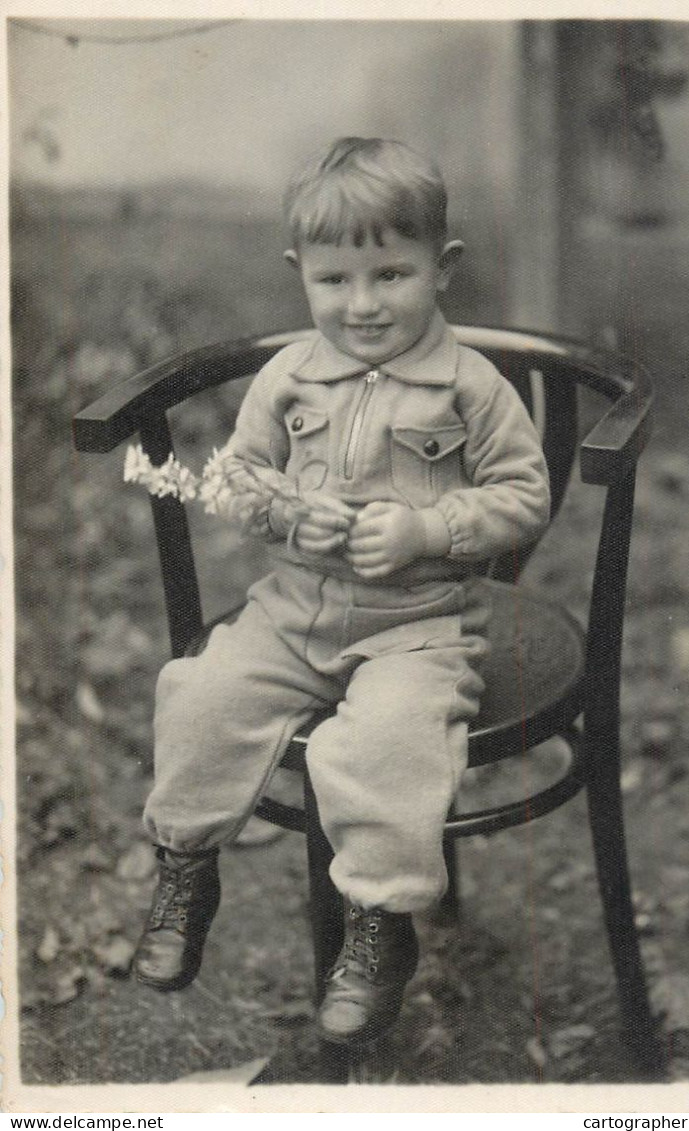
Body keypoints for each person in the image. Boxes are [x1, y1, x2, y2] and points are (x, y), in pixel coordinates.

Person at [132, 137, 551, 1046]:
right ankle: (185, 867)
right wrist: (285, 517)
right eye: (335, 281)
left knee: (388, 743)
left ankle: (378, 925)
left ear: (443, 270)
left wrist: (428, 529)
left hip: (421, 624)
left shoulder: (470, 387)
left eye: (390, 274)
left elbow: (525, 495)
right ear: (301, 275)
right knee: (202, 694)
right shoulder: (289, 378)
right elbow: (241, 475)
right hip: (294, 613)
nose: (361, 305)